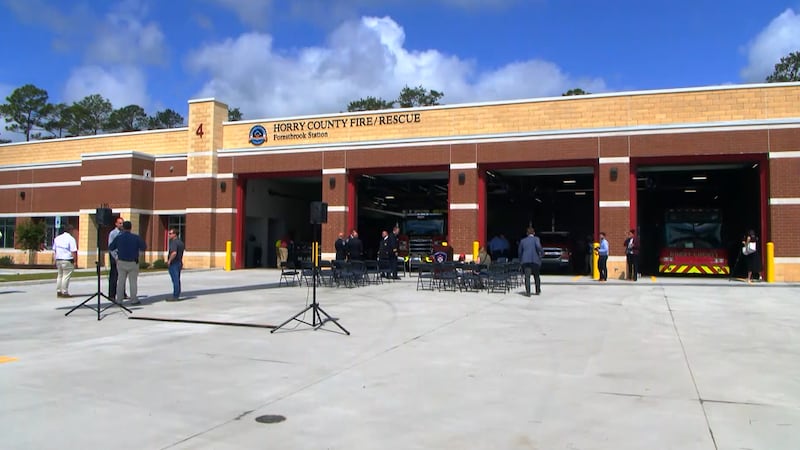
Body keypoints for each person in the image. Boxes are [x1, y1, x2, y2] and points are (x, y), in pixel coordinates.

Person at [109, 221, 147, 305]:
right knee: (133, 282)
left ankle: (119, 300)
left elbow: (111, 247)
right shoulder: (136, 237)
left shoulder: (119, 237)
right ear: (131, 228)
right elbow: (144, 247)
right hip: (133, 262)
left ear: (123, 227)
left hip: (121, 262)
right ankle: (134, 299)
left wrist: (117, 255)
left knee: (121, 281)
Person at [53, 223, 78, 298]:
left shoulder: (57, 238)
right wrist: (75, 261)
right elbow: (73, 251)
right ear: (70, 230)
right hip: (67, 259)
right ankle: (64, 291)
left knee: (59, 275)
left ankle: (58, 291)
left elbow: (54, 250)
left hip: (58, 259)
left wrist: (54, 259)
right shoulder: (71, 239)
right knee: (66, 276)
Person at [518, 227, 543, 297]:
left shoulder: (523, 241)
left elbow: (520, 252)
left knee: (527, 277)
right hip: (535, 261)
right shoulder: (536, 239)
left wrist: (520, 260)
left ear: (527, 233)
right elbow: (538, 246)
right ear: (534, 233)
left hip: (526, 261)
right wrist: (542, 253)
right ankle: (537, 290)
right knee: (536, 276)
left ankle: (528, 292)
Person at [107, 216, 128, 299]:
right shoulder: (113, 233)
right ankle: (112, 295)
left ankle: (122, 293)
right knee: (114, 276)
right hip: (114, 256)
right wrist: (115, 258)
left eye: (122, 223)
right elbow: (111, 247)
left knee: (122, 276)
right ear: (116, 224)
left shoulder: (124, 233)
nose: (121, 224)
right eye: (120, 223)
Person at [166, 228, 185, 301]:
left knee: (175, 280)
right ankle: (177, 294)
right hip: (179, 262)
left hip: (174, 263)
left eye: (170, 233)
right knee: (177, 279)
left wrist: (169, 261)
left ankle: (175, 296)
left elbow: (174, 253)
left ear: (174, 234)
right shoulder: (181, 242)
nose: (169, 235)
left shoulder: (174, 242)